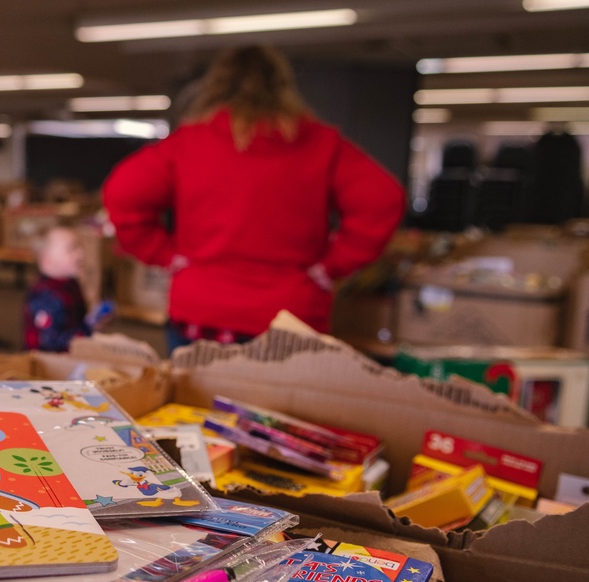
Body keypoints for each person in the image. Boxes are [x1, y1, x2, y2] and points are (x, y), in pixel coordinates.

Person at [102, 45, 405, 352]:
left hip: (201, 309)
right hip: (291, 314)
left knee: (192, 400)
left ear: (215, 85)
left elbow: (121, 193)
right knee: (284, 402)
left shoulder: (189, 143)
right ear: (283, 85)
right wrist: (331, 266)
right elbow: (384, 200)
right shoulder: (321, 143)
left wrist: (164, 254)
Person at [23, 225, 111, 352]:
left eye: (80, 247)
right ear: (47, 260)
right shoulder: (44, 295)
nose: (80, 254)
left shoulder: (71, 284)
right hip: (45, 364)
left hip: (71, 357)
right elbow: (49, 341)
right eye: (71, 249)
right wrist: (88, 327)